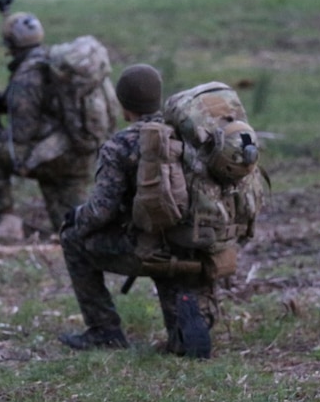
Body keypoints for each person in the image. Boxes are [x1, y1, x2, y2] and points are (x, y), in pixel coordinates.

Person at [57, 64, 216, 358]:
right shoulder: (186, 134)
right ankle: (185, 332)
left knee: (72, 239)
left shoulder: (120, 145)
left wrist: (77, 217)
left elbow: (101, 211)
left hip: (145, 248)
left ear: (123, 105)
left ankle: (104, 331)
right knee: (166, 254)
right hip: (190, 243)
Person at [0, 10, 94, 236]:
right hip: (82, 152)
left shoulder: (27, 75)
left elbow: (22, 136)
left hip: (56, 157)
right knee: (71, 230)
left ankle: (7, 222)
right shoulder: (54, 63)